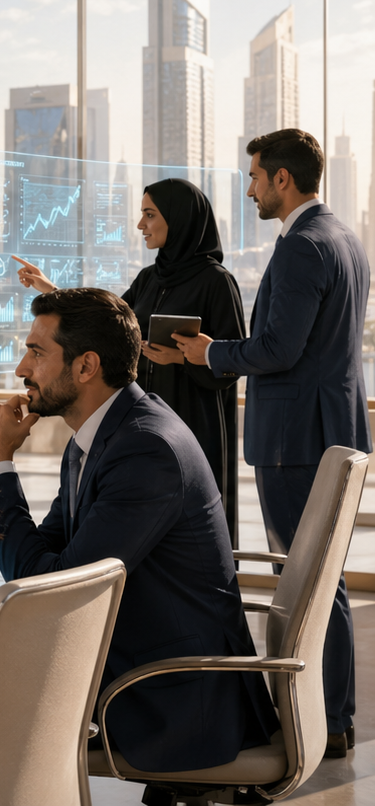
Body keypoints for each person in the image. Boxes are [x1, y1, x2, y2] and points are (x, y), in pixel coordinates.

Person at [0, 287, 279, 778]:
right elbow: (51, 548)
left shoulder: (145, 450)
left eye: (36, 352)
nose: (21, 369)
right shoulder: (103, 435)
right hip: (139, 668)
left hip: (171, 702)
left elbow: (51, 589)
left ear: (86, 366)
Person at [176, 127, 370, 757]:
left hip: (295, 440)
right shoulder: (345, 239)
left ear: (282, 178)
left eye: (255, 177)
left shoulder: (301, 246)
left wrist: (211, 353)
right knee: (323, 579)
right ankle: (332, 716)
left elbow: (278, 350)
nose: (251, 190)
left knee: (306, 582)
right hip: (333, 430)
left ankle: (323, 717)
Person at [13, 178, 246, 538]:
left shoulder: (216, 282)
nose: (140, 225)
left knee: (189, 518)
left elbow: (233, 362)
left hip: (192, 417)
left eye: (150, 215)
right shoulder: (149, 278)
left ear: (178, 219)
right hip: (142, 415)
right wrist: (52, 290)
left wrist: (180, 358)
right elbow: (105, 325)